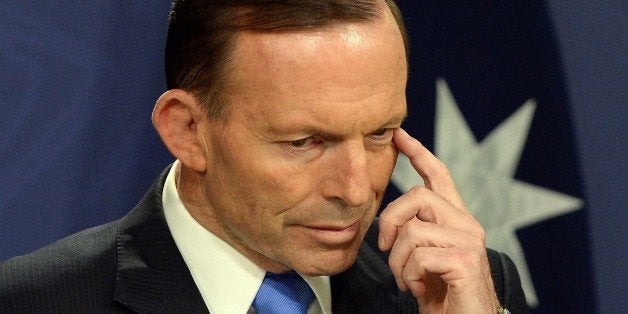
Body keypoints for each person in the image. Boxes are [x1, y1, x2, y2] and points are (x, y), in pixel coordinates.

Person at [0, 0, 527, 313]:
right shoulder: (34, 303)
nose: (354, 188)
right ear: (188, 130)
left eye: (379, 133)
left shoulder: (466, 290)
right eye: (303, 143)